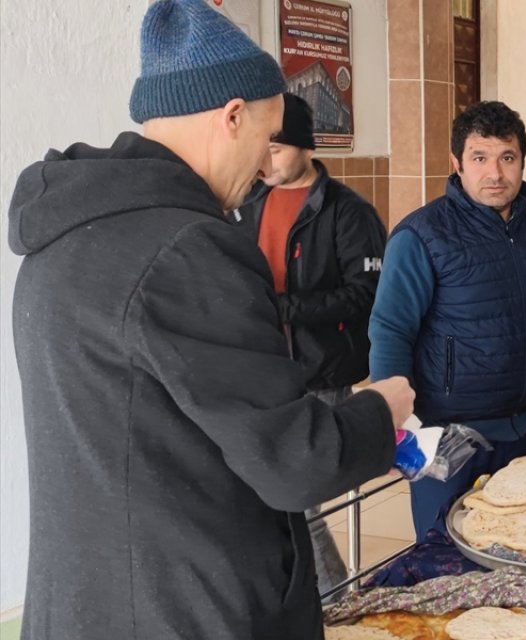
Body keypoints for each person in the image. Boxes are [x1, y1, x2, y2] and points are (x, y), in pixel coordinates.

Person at [7, 2, 415, 638]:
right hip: (187, 607)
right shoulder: (187, 250)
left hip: (87, 601)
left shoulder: (60, 234)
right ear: (232, 116)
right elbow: (294, 462)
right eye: (265, 137)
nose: (263, 166)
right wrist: (379, 413)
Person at [369, 100, 526, 540]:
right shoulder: (421, 236)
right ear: (457, 163)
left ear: (523, 161)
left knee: (518, 553)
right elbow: (391, 329)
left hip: (525, 426)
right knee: (446, 564)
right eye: (479, 158)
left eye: (507, 158)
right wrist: (395, 425)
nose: (495, 174)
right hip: (450, 435)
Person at [233, 92, 388, 596]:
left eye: (275, 149)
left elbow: (365, 294)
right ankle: (298, 595)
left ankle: (336, 598)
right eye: (262, 149)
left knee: (302, 498)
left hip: (321, 371)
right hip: (260, 367)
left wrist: (285, 309)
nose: (265, 160)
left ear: (304, 146)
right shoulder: (248, 202)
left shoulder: (347, 212)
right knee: (270, 494)